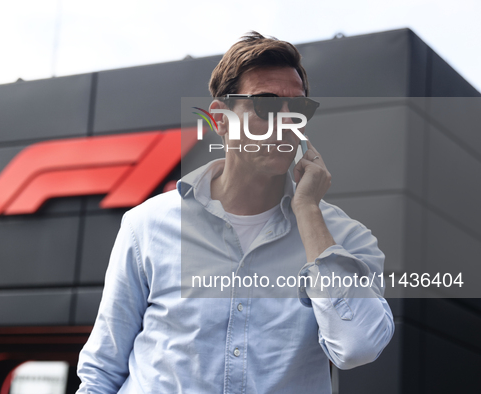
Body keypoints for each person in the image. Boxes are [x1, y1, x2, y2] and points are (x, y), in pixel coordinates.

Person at [76, 31, 394, 393]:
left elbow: (357, 348)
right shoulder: (147, 225)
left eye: (299, 108)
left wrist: (307, 210)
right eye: (265, 105)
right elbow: (101, 371)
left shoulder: (343, 239)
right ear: (221, 120)